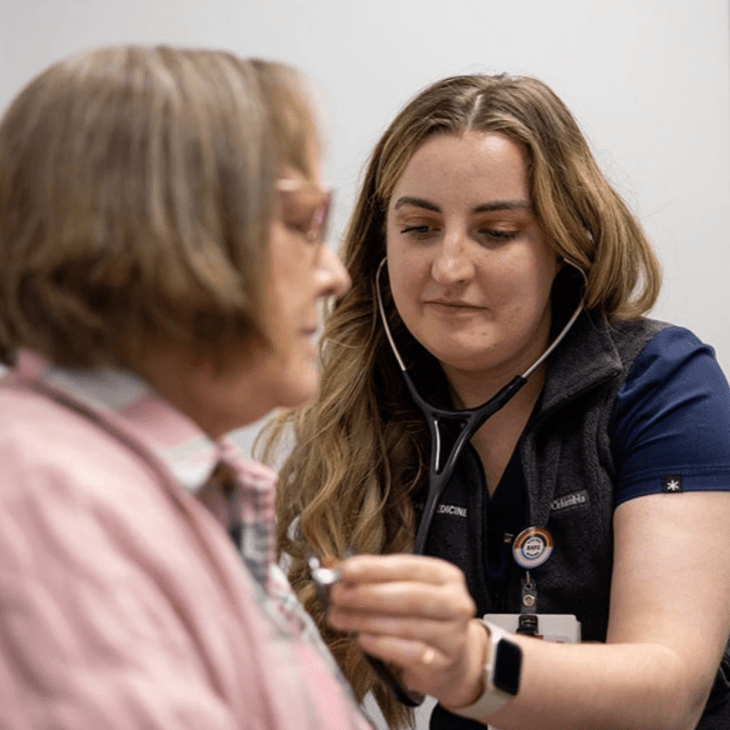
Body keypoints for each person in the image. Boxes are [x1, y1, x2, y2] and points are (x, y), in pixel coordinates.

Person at [264, 73, 730, 730]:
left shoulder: (662, 383)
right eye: (420, 227)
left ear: (566, 243)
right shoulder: (354, 405)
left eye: (497, 231)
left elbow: (669, 691)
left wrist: (478, 666)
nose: (449, 267)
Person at [0, 44, 374, 729]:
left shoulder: (179, 486)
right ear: (167, 232)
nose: (335, 275)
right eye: (301, 225)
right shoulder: (45, 497)